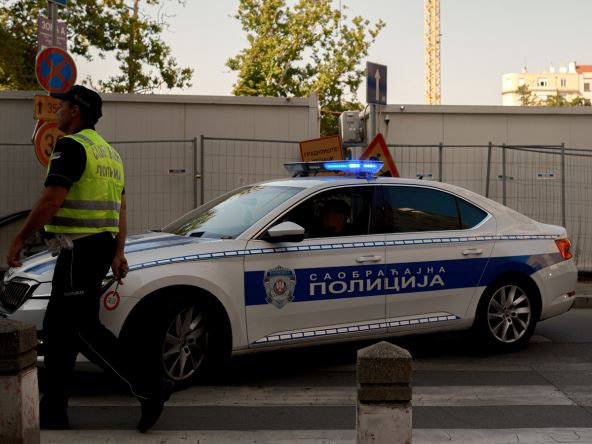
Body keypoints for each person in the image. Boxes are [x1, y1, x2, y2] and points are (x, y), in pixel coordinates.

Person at [6, 85, 172, 433]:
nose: (57, 112)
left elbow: (51, 201)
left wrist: (20, 238)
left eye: (62, 106)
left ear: (75, 112)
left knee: (81, 329)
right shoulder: (110, 154)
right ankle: (54, 410)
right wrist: (118, 253)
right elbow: (120, 209)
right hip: (96, 248)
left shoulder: (71, 146)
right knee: (58, 331)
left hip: (78, 251)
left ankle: (149, 386)